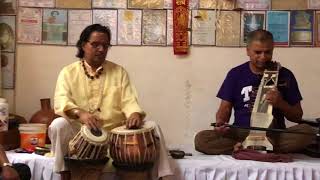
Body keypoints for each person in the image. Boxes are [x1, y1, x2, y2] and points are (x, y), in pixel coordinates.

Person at [48, 24, 172, 180]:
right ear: (83, 45)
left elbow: (129, 101)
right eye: (95, 45)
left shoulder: (119, 72)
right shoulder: (68, 72)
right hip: (80, 133)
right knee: (58, 125)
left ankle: (164, 177)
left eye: (105, 45)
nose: (101, 49)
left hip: (114, 133)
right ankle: (64, 171)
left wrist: (134, 114)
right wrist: (80, 114)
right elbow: (62, 101)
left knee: (153, 127)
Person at [194, 29, 314, 155]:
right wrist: (220, 124)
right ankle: (257, 148)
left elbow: (297, 116)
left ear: (273, 50)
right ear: (247, 51)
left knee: (307, 132)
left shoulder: (285, 75)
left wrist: (281, 103)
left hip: (274, 133)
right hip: (241, 131)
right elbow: (225, 108)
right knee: (201, 139)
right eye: (257, 52)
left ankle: (247, 148)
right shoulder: (235, 74)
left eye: (267, 52)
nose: (263, 57)